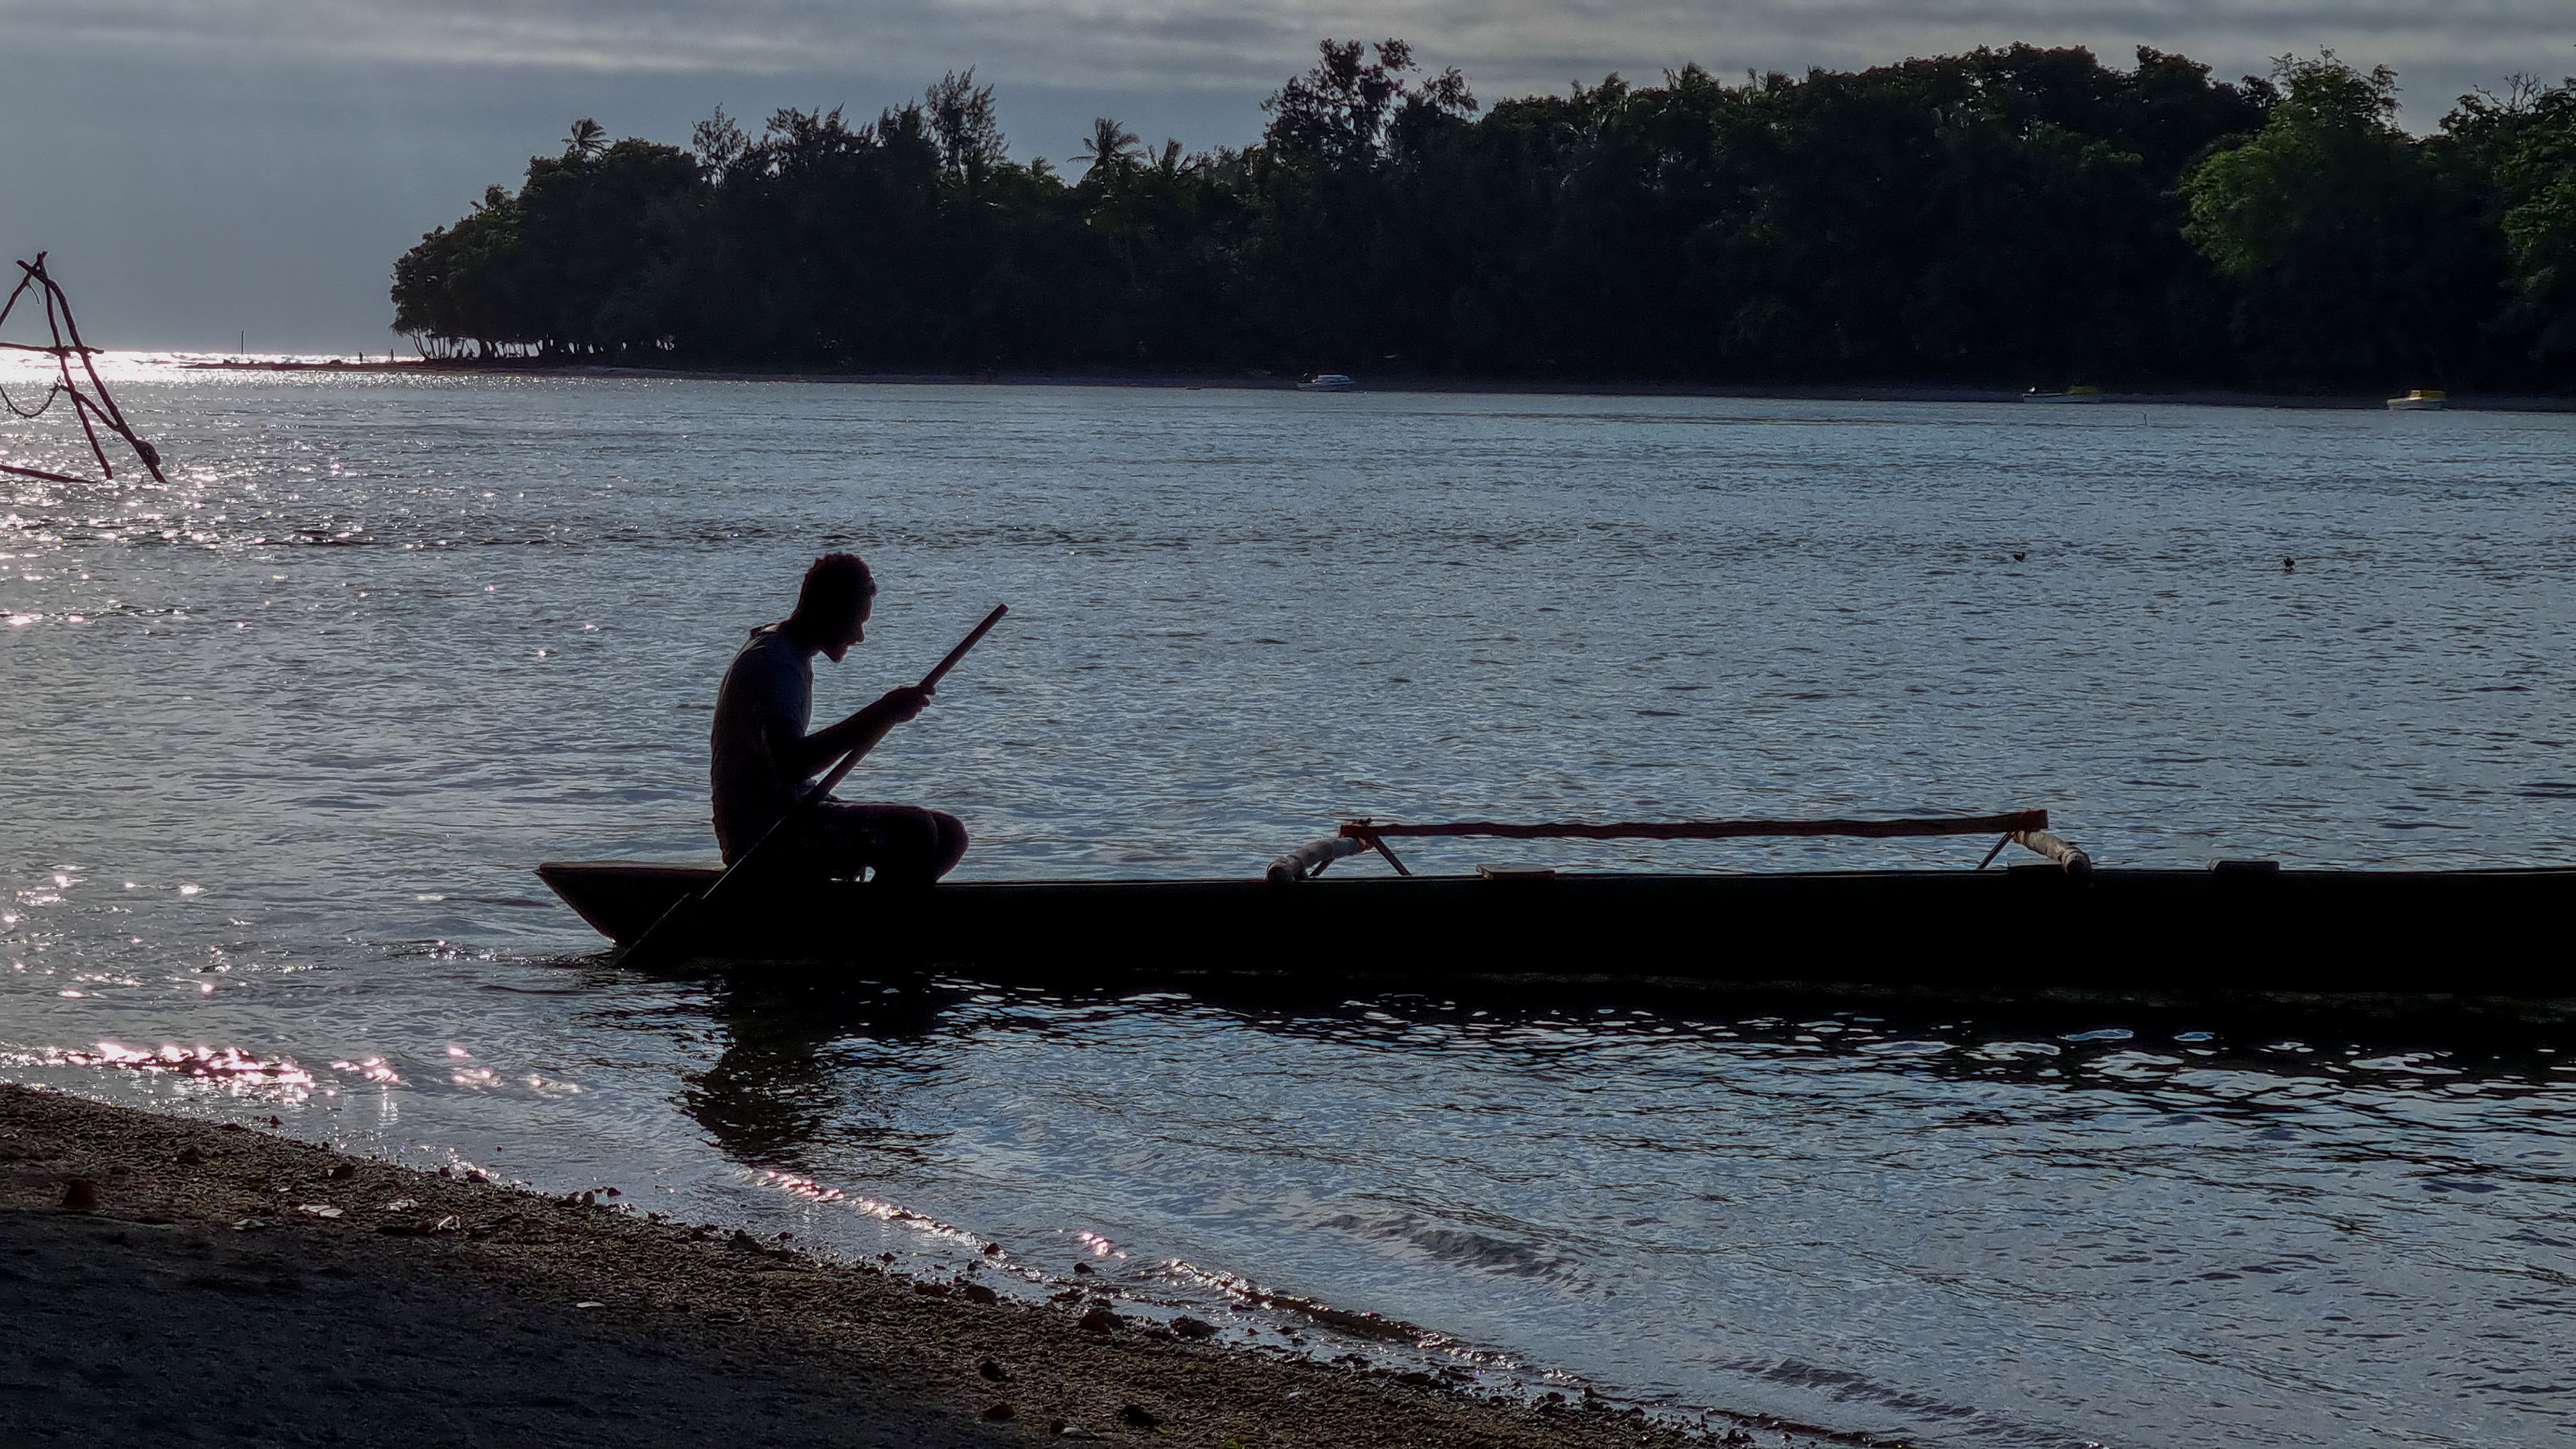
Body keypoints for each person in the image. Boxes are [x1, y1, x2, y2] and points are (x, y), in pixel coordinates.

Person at [709, 553, 967, 884]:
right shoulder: (773, 665)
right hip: (764, 835)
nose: (860, 636)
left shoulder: (790, 655)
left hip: (793, 812)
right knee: (914, 830)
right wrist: (882, 711)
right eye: (855, 621)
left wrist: (882, 714)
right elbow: (790, 764)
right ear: (826, 609)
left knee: (949, 834)